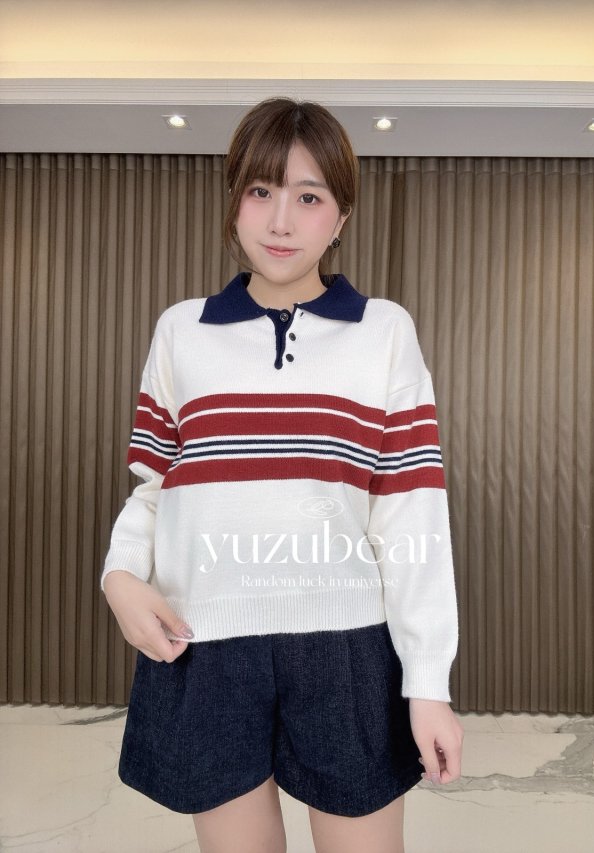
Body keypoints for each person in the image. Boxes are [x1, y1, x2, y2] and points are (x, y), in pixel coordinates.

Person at [101, 96, 463, 853]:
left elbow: (411, 509)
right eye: (261, 191)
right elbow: (156, 484)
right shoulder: (181, 331)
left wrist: (428, 681)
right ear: (234, 200)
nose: (279, 221)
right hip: (205, 644)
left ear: (342, 215)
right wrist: (120, 574)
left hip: (344, 647)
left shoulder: (383, 332)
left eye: (309, 197)